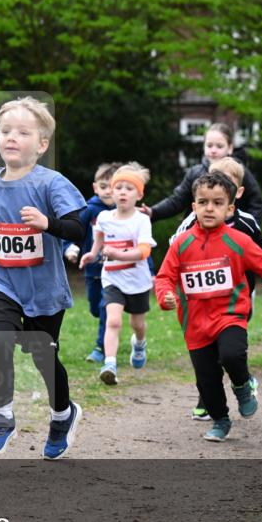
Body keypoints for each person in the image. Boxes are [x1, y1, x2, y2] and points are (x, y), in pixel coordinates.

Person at [0, 96, 87, 459]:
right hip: (1, 279)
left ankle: (63, 414)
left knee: (43, 356)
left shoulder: (51, 183)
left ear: (42, 144)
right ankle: (2, 417)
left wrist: (49, 224)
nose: (11, 137)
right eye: (6, 131)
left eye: (23, 132)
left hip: (44, 288)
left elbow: (78, 229)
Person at [155, 172, 262, 443]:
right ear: (193, 207)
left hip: (230, 315)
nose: (209, 208)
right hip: (194, 324)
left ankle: (241, 386)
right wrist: (166, 296)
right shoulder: (181, 244)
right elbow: (164, 277)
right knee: (207, 378)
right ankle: (220, 419)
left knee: (232, 355)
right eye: (202, 202)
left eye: (217, 203)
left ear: (230, 209)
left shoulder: (238, 240)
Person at [79, 163, 155, 385]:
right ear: (111, 192)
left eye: (129, 188)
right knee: (113, 321)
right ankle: (109, 363)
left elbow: (144, 251)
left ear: (139, 194)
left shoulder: (141, 220)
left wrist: (117, 254)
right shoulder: (104, 217)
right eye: (118, 187)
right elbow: (99, 239)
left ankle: (139, 345)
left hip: (138, 281)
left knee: (137, 324)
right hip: (112, 278)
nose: (122, 192)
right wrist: (92, 254)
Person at [145, 123, 262, 225]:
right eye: (209, 145)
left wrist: (249, 229)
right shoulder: (195, 172)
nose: (213, 150)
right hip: (199, 232)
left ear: (230, 148)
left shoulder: (239, 171)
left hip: (232, 234)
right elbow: (177, 201)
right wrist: (153, 212)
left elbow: (256, 204)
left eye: (219, 146)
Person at [63, 163, 117, 364]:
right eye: (104, 186)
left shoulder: (124, 212)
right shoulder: (89, 210)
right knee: (95, 308)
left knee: (105, 307)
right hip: (93, 270)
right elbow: (72, 230)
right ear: (95, 188)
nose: (108, 191)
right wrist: (69, 247)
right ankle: (109, 329)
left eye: (113, 186)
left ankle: (101, 347)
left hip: (114, 272)